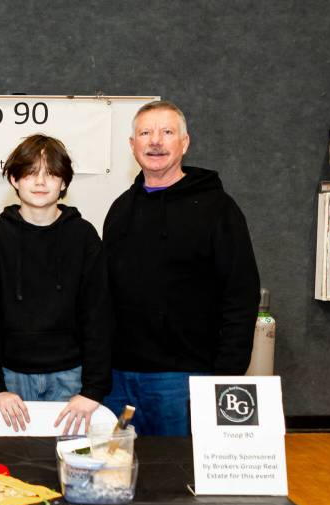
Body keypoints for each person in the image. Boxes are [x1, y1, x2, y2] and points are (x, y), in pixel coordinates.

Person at [102, 101, 260, 436]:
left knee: (180, 479)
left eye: (167, 132)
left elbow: (240, 295)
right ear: (132, 145)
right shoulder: (119, 211)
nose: (155, 141)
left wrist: (225, 378)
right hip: (118, 381)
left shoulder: (219, 209)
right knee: (118, 479)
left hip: (186, 380)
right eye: (145, 133)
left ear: (184, 143)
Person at [0, 135, 112, 435]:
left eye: (50, 173)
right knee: (13, 472)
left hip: (72, 378)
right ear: (14, 179)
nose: (40, 182)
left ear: (64, 183)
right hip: (11, 379)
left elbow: (98, 316)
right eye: (30, 173)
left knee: (71, 470)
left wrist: (93, 389)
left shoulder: (84, 237)